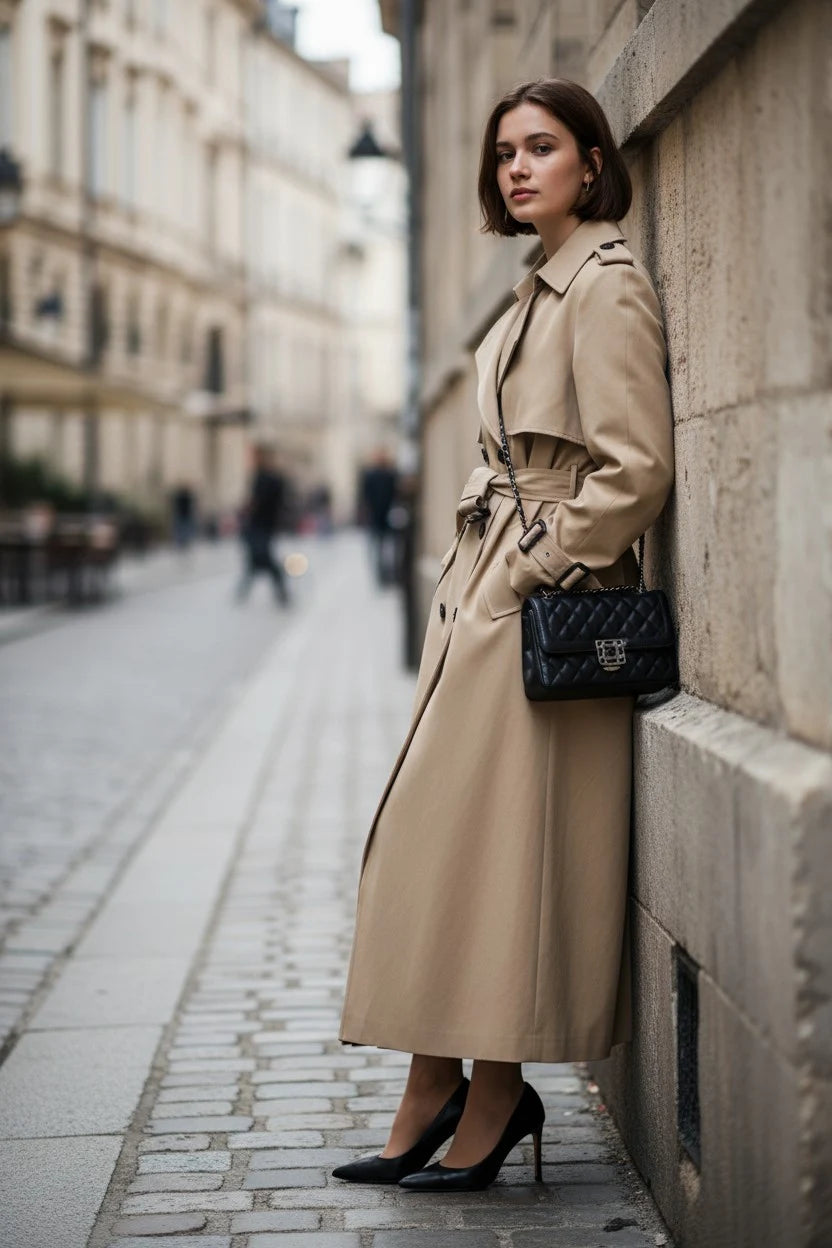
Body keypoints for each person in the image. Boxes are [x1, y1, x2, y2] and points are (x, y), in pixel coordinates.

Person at [334, 78, 675, 1191]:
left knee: (500, 862)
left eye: (540, 147)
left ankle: (490, 1092)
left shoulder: (604, 285)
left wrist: (529, 570)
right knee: (438, 849)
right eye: (503, 154)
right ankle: (434, 1078)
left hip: (543, 611)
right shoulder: (539, 283)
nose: (517, 168)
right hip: (489, 595)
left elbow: (635, 471)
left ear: (592, 161)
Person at [236, 444, 291, 606]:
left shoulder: (269, 478)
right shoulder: (264, 476)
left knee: (261, 556)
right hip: (260, 524)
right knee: (256, 557)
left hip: (263, 524)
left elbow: (262, 501)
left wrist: (248, 509)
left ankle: (278, 588)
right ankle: (277, 590)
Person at [360, 448, 399, 586]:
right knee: (378, 548)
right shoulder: (371, 475)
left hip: (387, 517)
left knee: (387, 548)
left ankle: (386, 574)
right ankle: (380, 575)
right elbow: (365, 496)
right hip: (376, 518)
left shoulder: (390, 474)